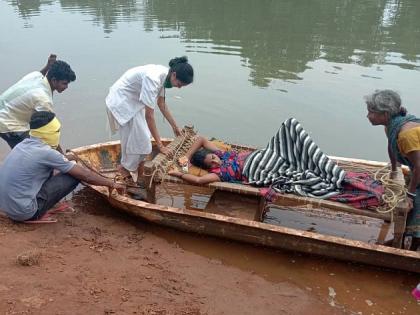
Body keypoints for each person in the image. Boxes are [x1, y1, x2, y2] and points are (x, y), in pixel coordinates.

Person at [0, 111, 125, 223]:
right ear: (49, 133)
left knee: (55, 169)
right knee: (73, 176)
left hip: (7, 207)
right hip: (25, 213)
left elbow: (56, 160)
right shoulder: (46, 153)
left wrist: (69, 158)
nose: (58, 134)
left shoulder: (22, 145)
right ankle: (39, 212)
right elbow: (85, 175)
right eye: (57, 131)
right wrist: (111, 184)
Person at [106, 56, 194, 183]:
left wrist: (175, 127)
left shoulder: (165, 76)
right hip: (122, 101)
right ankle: (124, 169)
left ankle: (132, 169)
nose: (179, 88)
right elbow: (149, 116)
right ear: (174, 75)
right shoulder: (153, 78)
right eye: (179, 84)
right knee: (140, 141)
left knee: (142, 142)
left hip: (134, 102)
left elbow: (162, 104)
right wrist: (160, 145)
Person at [365, 89, 420, 250]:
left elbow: (419, 166)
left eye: (371, 112)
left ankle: (410, 243)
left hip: (418, 167)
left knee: (414, 204)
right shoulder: (391, 127)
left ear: (386, 114)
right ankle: (404, 239)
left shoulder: (406, 135)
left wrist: (410, 195)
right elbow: (391, 146)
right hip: (416, 167)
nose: (368, 116)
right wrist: (394, 168)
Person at [0, 54, 76, 149]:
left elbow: (41, 73)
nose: (66, 87)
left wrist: (48, 66)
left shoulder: (35, 76)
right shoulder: (44, 100)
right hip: (8, 124)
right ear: (54, 80)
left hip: (4, 111)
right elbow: (50, 132)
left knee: (31, 147)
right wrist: (62, 157)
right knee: (31, 150)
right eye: (64, 83)